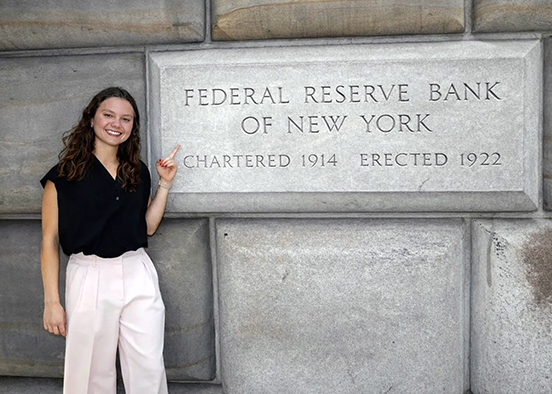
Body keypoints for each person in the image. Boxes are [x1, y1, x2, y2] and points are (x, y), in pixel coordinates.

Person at [40, 86, 180, 394]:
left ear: (132, 127)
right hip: (90, 274)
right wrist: (52, 302)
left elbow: (148, 227)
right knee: (90, 373)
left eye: (126, 119)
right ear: (91, 118)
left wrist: (165, 186)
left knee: (148, 367)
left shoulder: (137, 171)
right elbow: (49, 240)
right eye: (109, 115)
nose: (117, 124)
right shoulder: (62, 177)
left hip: (137, 271)